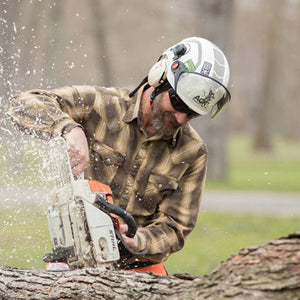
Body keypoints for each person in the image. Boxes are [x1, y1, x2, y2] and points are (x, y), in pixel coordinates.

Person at [7, 37, 231, 275]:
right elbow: (23, 104)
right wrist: (68, 128)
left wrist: (138, 240)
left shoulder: (192, 152)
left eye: (192, 113)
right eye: (178, 104)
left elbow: (176, 227)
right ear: (159, 77)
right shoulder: (102, 106)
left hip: (140, 267)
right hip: (75, 259)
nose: (181, 119)